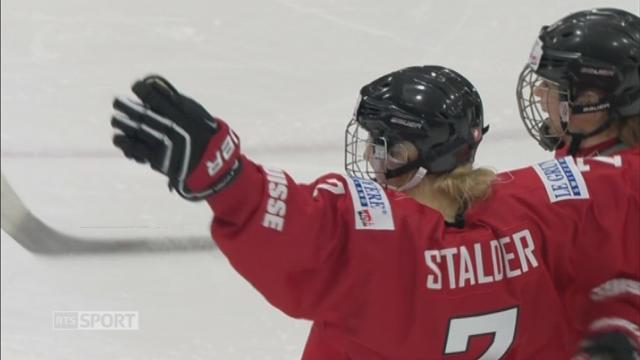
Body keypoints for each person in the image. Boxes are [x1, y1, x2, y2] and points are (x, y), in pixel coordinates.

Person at [110, 66, 638, 359]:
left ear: (428, 152)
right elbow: (622, 199)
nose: (371, 157)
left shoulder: (381, 249)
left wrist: (223, 175)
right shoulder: (539, 210)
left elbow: (301, 227)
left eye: (388, 146)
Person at [516, 8, 640, 358]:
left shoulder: (621, 180)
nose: (540, 95)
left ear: (591, 100)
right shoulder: (585, 152)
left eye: (553, 87)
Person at [516, 8, 640, 158]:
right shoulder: (583, 143)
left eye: (549, 85)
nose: (537, 92)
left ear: (590, 101)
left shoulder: (618, 175)